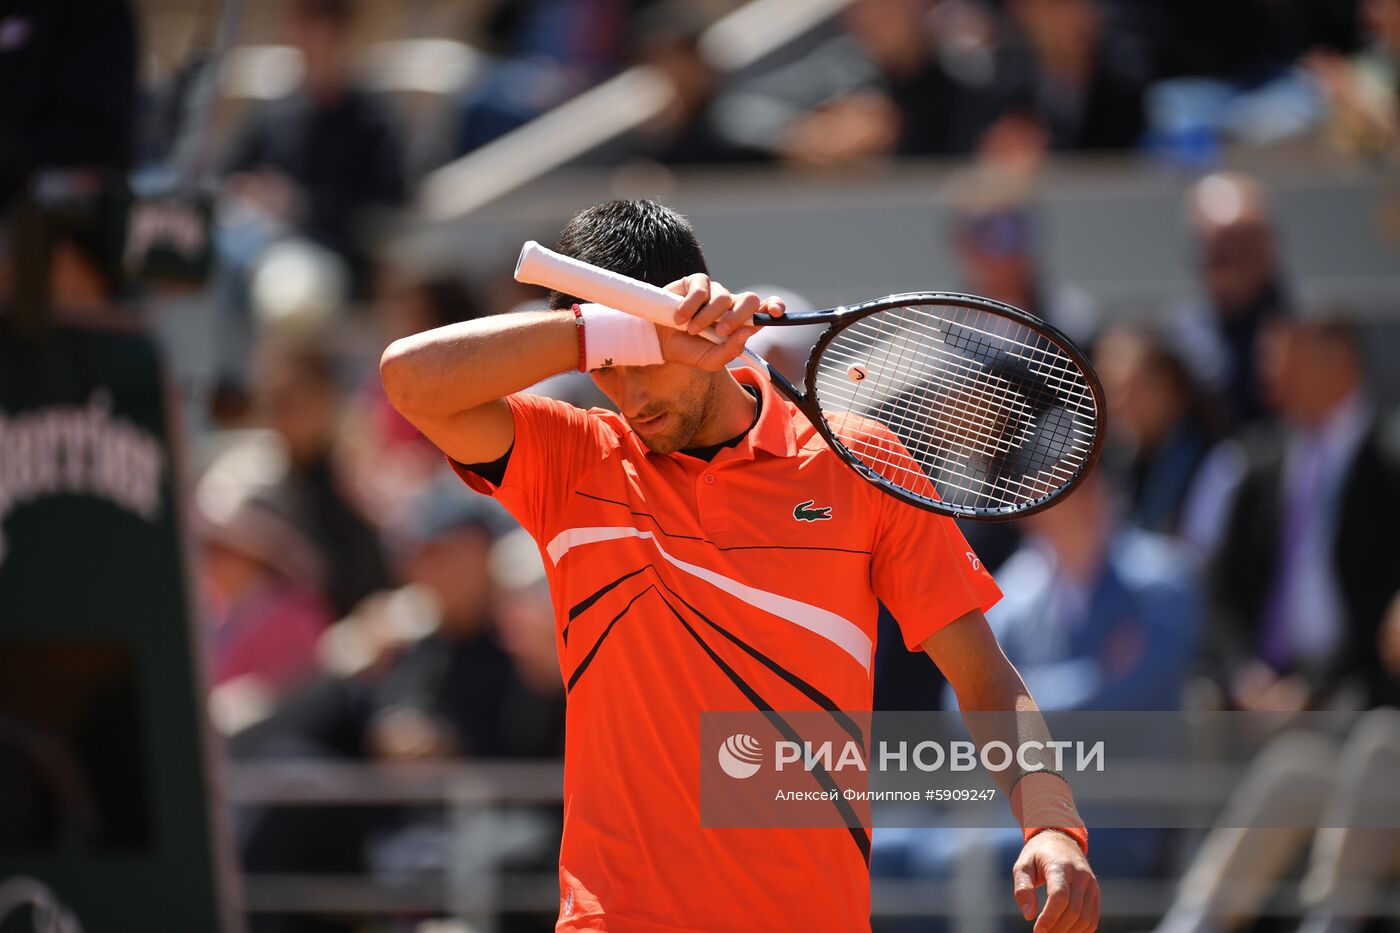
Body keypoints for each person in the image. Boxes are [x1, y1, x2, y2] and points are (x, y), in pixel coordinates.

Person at [380, 199, 1099, 932]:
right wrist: (610, 330)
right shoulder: (572, 458)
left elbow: (981, 672)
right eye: (605, 367)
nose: (626, 395)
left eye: (639, 360)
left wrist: (1048, 819)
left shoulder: (859, 458)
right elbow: (409, 379)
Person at [1204, 312, 1400, 712]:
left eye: (1286, 359)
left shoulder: (1390, 461)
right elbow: (1223, 589)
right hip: (1257, 693)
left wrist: (1317, 687)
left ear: (1341, 362)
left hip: (1360, 691)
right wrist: (1244, 672)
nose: (1269, 374)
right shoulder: (1257, 462)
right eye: (1266, 359)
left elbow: (1382, 600)